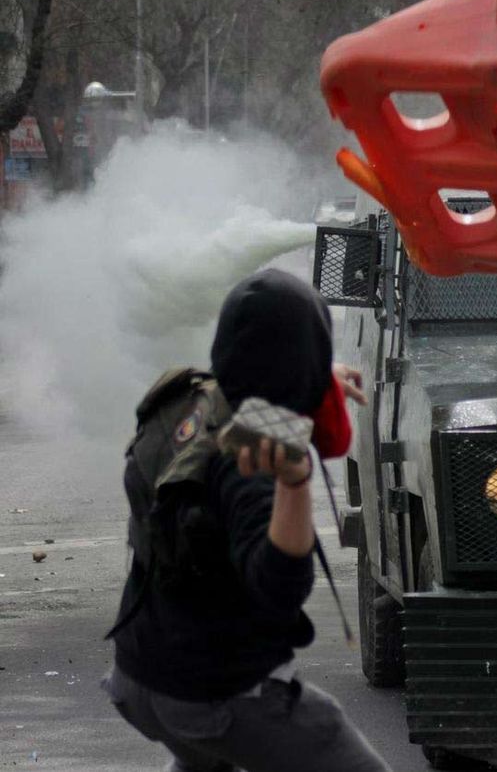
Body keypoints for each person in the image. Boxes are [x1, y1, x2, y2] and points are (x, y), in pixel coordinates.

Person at [102, 269, 391, 772]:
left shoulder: (191, 399)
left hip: (138, 676)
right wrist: (295, 483)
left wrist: (315, 373)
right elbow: (278, 588)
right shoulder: (251, 465)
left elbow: (256, 369)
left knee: (201, 759)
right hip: (209, 693)